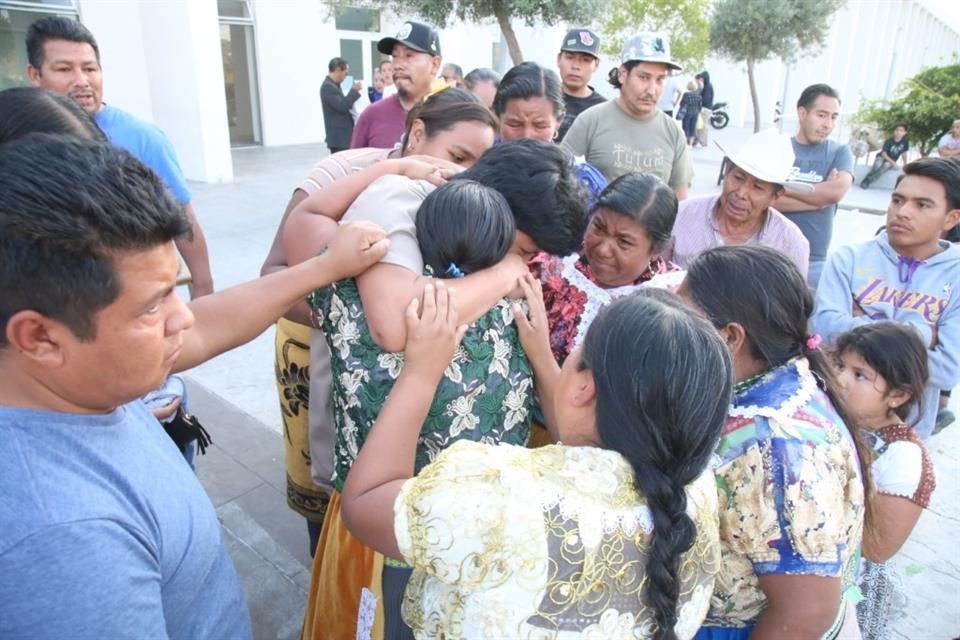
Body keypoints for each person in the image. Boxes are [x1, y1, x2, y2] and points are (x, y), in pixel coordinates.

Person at [0, 134, 388, 639]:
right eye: (153, 305)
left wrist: (324, 267)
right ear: (40, 336)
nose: (182, 319)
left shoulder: (72, 378)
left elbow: (207, 324)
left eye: (176, 291)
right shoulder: (64, 539)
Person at [286, 138, 589, 640]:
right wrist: (503, 271)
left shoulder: (488, 267)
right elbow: (391, 323)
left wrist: (537, 351)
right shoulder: (400, 209)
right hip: (393, 517)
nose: (523, 264)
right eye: (524, 249)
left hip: (478, 524)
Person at [340, 285, 733, 640]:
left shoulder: (502, 493)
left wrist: (421, 373)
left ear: (585, 386)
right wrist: (542, 353)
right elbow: (586, 448)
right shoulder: (693, 490)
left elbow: (365, 502)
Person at [260, 88, 498, 556]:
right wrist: (350, 320)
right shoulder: (344, 176)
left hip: (427, 432)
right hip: (345, 390)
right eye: (456, 156)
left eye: (479, 164)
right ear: (416, 133)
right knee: (342, 527)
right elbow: (274, 278)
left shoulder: (467, 202)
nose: (463, 173)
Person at [679, 245, 866, 640]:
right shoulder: (767, 381)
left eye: (683, 319)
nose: (672, 329)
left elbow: (805, 613)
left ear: (730, 337)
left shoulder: (777, 451)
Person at [25, 16, 215, 298]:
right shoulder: (20, 137)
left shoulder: (142, 139)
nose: (82, 81)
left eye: (90, 68)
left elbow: (183, 217)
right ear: (35, 75)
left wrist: (203, 286)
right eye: (64, 69)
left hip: (133, 299)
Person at [811, 156, 960, 439]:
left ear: (951, 218)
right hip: (832, 421)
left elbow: (948, 369)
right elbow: (825, 331)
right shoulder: (849, 260)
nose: (902, 212)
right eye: (897, 200)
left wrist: (859, 326)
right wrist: (922, 333)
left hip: (904, 435)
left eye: (922, 205)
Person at [831, 323, 935, 640]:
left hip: (849, 588)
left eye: (860, 375)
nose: (840, 379)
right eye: (840, 365)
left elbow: (877, 548)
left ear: (898, 395)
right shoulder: (833, 416)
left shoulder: (904, 457)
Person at [530, 172, 680, 366]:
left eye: (623, 242)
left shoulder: (669, 304)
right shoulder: (555, 265)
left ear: (656, 249)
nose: (602, 249)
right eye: (598, 228)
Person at [563, 32, 692, 198]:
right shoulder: (590, 121)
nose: (652, 90)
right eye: (644, 77)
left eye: (660, 79)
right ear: (623, 74)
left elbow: (680, 202)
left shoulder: (674, 133)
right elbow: (561, 185)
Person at [667, 128, 811, 276]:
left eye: (758, 187)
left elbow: (791, 298)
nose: (741, 193)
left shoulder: (790, 243)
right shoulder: (681, 216)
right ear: (727, 171)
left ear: (776, 196)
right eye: (738, 178)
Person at [774, 84, 854, 288]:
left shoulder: (839, 152)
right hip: (771, 255)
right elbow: (766, 201)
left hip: (814, 261)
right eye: (822, 115)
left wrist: (782, 187)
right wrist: (818, 200)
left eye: (834, 117)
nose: (828, 124)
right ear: (802, 113)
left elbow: (834, 193)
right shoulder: (779, 149)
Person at [492, 62, 608, 202]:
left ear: (558, 121)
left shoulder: (582, 180)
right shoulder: (478, 166)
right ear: (498, 117)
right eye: (515, 124)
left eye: (540, 126)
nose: (527, 136)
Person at [351, 21, 442, 149]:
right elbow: (354, 166)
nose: (397, 65)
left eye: (409, 56)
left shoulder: (452, 114)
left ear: (435, 64)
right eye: (394, 56)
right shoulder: (372, 115)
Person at [555, 27, 606, 141]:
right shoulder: (543, 97)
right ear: (559, 59)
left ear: (596, 65)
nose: (576, 66)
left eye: (585, 60)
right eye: (570, 57)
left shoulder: (603, 110)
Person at [321, 57, 363, 155]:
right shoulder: (328, 87)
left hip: (342, 138)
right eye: (346, 73)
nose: (346, 77)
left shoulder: (334, 85)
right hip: (339, 139)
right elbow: (343, 106)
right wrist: (354, 91)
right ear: (338, 70)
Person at [860, 123, 909, 189]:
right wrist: (894, 163)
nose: (898, 132)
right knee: (878, 165)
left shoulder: (905, 142)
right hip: (882, 157)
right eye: (896, 130)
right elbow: (884, 154)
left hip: (891, 161)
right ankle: (867, 178)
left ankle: (869, 181)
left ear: (905, 133)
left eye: (901, 130)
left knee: (886, 166)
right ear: (894, 131)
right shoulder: (889, 141)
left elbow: (904, 153)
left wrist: (905, 165)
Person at [678, 79, 702, 145]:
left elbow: (682, 103)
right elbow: (700, 106)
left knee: (685, 127)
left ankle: (685, 143)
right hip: (695, 113)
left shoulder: (686, 94)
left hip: (687, 113)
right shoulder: (698, 96)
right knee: (693, 127)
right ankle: (690, 144)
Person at [694, 71, 714, 147]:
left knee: (704, 126)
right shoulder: (706, 85)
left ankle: (702, 142)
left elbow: (706, 99)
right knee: (701, 125)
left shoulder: (707, 87)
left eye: (702, 78)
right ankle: (701, 142)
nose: (700, 80)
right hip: (705, 109)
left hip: (705, 109)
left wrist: (700, 104)